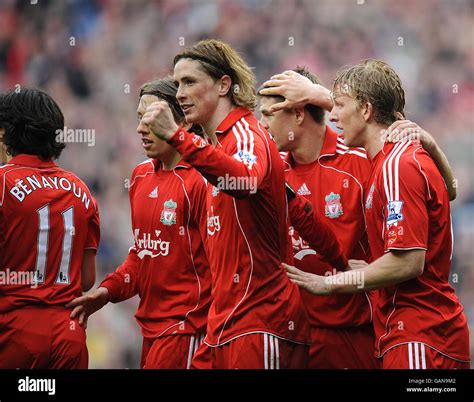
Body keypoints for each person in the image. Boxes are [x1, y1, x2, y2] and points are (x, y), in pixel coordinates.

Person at [282, 60, 470, 369]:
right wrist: (372, 267)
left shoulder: (397, 165)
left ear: (366, 110)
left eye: (340, 105)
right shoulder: (388, 161)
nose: (334, 115)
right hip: (411, 334)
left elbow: (409, 261)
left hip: (420, 335)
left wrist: (331, 283)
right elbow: (448, 192)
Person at [142, 39, 314, 369]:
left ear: (224, 85)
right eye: (177, 84)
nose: (179, 94)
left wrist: (178, 137)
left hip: (261, 321)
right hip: (223, 326)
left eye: (189, 82)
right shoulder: (212, 149)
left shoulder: (246, 133)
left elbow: (246, 181)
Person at [67, 77, 212, 369]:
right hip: (150, 329)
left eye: (150, 117)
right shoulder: (140, 176)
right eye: (138, 117)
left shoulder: (202, 180)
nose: (140, 128)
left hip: (188, 330)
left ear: (181, 123)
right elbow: (143, 253)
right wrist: (107, 292)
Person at [259, 67, 379, 369]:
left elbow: (404, 143)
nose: (260, 126)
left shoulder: (361, 162)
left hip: (352, 335)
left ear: (299, 114)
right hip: (288, 335)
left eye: (268, 115)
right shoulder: (269, 175)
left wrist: (321, 96)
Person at [0, 88, 100, 368]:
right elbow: (86, 279)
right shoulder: (82, 190)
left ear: (6, 133)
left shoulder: (3, 183)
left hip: (13, 334)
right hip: (69, 336)